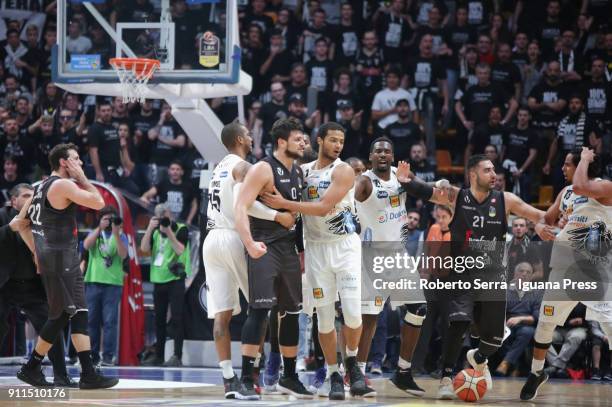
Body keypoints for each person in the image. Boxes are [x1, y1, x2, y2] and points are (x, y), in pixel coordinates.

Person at [396, 153, 552, 399]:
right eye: (487, 170)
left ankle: (479, 358)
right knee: (458, 323)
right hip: (462, 274)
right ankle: (446, 378)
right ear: (472, 174)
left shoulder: (506, 200)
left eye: (494, 171)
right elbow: (426, 191)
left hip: (492, 277)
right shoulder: (457, 196)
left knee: (494, 340)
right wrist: (406, 180)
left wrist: (543, 223)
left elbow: (538, 215)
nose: (494, 175)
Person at [261, 122, 374, 400]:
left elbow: (323, 208)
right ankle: (334, 374)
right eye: (333, 140)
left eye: (341, 141)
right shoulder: (303, 172)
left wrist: (285, 205)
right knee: (323, 319)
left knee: (352, 314)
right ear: (319, 140)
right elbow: (294, 209)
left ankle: (352, 365)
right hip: (315, 250)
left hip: (344, 247)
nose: (338, 145)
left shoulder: (344, 170)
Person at [12, 143, 117, 389]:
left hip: (57, 257)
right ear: (63, 162)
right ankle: (31, 367)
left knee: (78, 312)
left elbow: (20, 223)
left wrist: (37, 251)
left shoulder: (40, 187)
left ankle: (88, 373)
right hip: (60, 258)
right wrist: (83, 179)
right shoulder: (63, 184)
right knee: (62, 314)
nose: (80, 163)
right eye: (76, 159)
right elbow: (99, 203)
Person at [202, 122, 295, 399]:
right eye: (249, 134)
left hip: (211, 241)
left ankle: (229, 378)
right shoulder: (242, 167)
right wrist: (277, 215)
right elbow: (245, 203)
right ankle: (251, 374)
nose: (253, 138)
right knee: (261, 304)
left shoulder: (218, 167)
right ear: (241, 139)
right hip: (232, 237)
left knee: (222, 315)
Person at [520, 147, 612, 400]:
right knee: (546, 323)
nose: (562, 168)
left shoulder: (605, 187)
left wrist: (584, 158)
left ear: (584, 165)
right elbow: (545, 219)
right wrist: (540, 228)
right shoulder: (566, 192)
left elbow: (583, 186)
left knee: (610, 326)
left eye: (567, 164)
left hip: (596, 271)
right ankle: (536, 373)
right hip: (563, 270)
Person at [233, 117, 311, 399]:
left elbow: (297, 218)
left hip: (288, 248)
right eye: (298, 139)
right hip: (264, 245)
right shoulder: (263, 168)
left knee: (291, 312)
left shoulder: (299, 172)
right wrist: (250, 243)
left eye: (304, 139)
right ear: (281, 142)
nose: (303, 143)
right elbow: (241, 206)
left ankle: (289, 376)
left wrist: (300, 251)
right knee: (260, 310)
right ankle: (244, 378)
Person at [355, 137, 426, 396]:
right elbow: (346, 207)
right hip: (371, 255)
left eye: (387, 151)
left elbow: (426, 191)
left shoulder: (400, 175)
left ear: (393, 156)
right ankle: (357, 374)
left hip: (397, 254)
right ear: (371, 156)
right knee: (370, 318)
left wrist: (416, 183)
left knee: (418, 307)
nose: (383, 154)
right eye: (378, 151)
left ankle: (403, 372)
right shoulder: (363, 181)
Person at [0, 183, 74, 387]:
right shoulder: (2, 216)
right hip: (4, 286)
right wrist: (11, 228)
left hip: (31, 286)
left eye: (33, 196)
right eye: (25, 196)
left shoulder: (44, 222)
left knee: (51, 326)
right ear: (13, 201)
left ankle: (61, 375)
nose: (31, 199)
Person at [140, 203, 191, 367]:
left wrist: (168, 230)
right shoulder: (154, 232)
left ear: (171, 214)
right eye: (159, 216)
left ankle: (177, 355)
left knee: (177, 318)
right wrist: (149, 228)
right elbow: (144, 248)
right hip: (158, 279)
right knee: (159, 320)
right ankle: (159, 355)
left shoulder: (181, 229)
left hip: (175, 278)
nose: (163, 218)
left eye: (165, 215)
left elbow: (180, 250)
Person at [82, 205, 128, 367]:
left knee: (110, 322)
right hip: (93, 281)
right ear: (100, 220)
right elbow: (86, 246)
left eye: (111, 219)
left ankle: (108, 356)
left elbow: (123, 254)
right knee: (91, 321)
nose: (109, 222)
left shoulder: (122, 236)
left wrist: (115, 232)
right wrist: (98, 228)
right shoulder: (95, 234)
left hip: (113, 284)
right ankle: (93, 355)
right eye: (105, 219)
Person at [495, 262, 542, 377]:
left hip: (525, 325)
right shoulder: (505, 291)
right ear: (515, 274)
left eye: (528, 272)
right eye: (521, 271)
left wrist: (520, 319)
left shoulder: (537, 293)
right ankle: (514, 365)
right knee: (499, 332)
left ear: (531, 277)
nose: (524, 274)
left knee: (528, 332)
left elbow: (536, 317)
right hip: (506, 323)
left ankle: (506, 364)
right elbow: (499, 311)